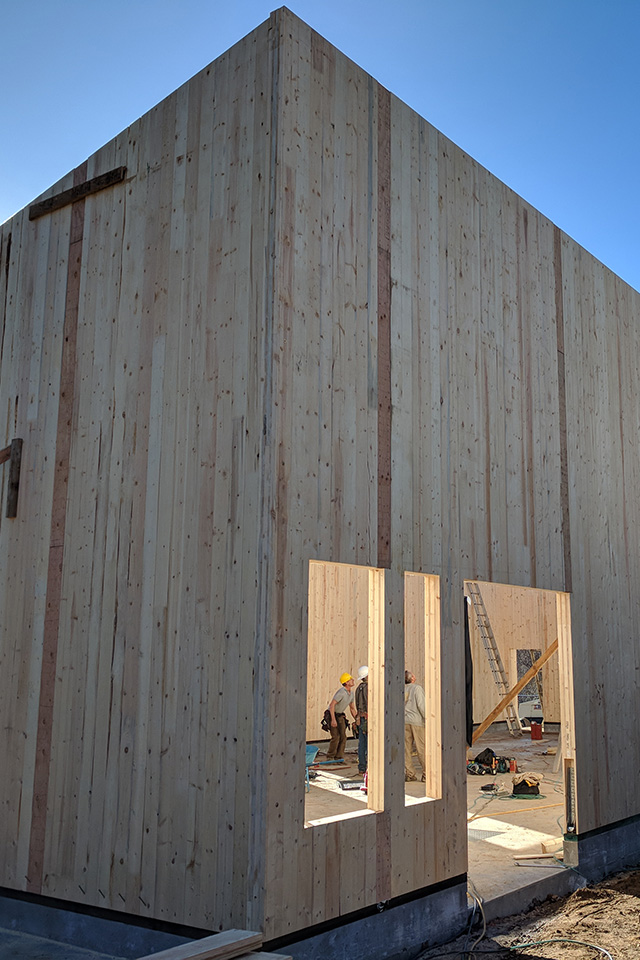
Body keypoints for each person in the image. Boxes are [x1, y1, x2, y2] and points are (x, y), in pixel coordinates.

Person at [326, 672, 357, 761]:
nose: (353, 680)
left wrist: (357, 719)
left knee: (343, 736)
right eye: (351, 679)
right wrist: (333, 719)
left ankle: (339, 757)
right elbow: (332, 705)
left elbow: (352, 708)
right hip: (332, 714)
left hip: (340, 715)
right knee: (336, 736)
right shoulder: (341, 693)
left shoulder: (351, 694)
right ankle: (330, 757)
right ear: (346, 682)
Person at [404, 670, 427, 782]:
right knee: (421, 748)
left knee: (406, 749)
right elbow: (422, 705)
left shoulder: (402, 689)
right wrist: (428, 719)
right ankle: (426, 774)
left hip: (404, 721)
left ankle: (410, 774)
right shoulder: (417, 689)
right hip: (417, 722)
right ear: (412, 678)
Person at [354, 665, 369, 774]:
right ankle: (369, 767)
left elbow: (357, 704)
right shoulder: (368, 688)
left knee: (362, 744)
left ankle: (362, 768)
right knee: (370, 743)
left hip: (361, 718)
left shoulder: (358, 688)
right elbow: (369, 703)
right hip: (368, 717)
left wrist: (358, 717)